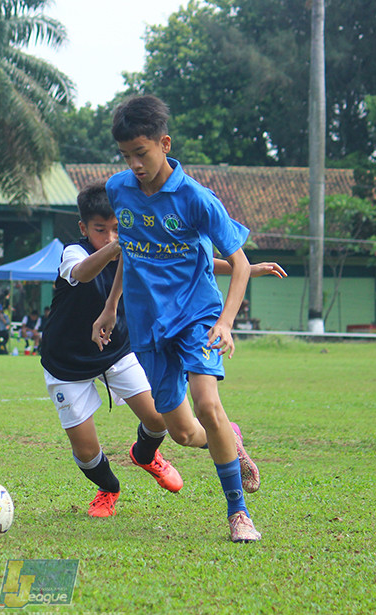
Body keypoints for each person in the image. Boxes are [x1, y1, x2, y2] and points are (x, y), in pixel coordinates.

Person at [43, 182, 285, 518]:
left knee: (164, 420)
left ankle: (150, 454)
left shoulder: (139, 240)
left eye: (117, 228)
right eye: (101, 230)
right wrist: (117, 247)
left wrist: (247, 268)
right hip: (66, 361)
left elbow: (187, 259)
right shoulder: (75, 251)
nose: (111, 236)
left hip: (118, 349)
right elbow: (83, 274)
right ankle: (109, 489)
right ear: (85, 229)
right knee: (85, 452)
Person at [95, 95, 266, 542]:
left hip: (197, 315)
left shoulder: (196, 199)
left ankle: (239, 513)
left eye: (142, 153)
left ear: (164, 143)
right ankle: (232, 438)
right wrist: (111, 307)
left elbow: (240, 262)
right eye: (126, 155)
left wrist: (225, 322)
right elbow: (131, 252)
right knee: (186, 433)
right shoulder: (118, 190)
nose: (134, 163)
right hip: (148, 323)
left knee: (207, 404)